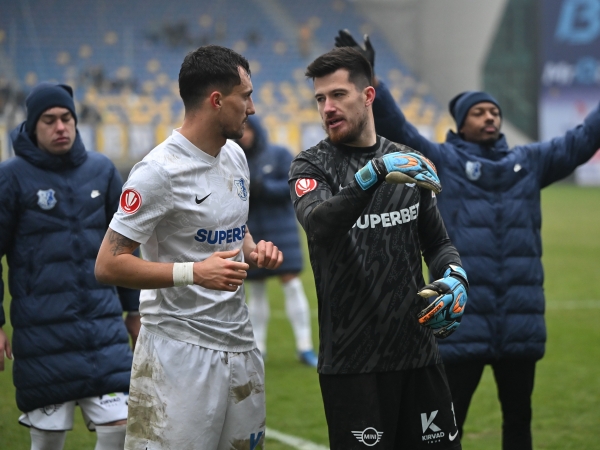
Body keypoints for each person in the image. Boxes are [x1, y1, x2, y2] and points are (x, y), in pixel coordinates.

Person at [335, 29, 600, 450]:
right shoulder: (444, 161)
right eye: (479, 112)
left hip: (520, 322)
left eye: (494, 111)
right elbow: (397, 127)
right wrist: (371, 79)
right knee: (445, 427)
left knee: (519, 422)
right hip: (461, 318)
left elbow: (582, 139)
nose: (490, 117)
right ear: (461, 123)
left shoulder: (529, 162)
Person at [94, 45, 283, 450]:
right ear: (216, 100)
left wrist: (253, 250)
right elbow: (108, 264)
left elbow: (232, 225)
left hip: (240, 345)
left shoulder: (235, 156)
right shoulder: (158, 172)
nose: (252, 108)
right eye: (245, 96)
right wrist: (194, 272)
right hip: (178, 350)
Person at [289, 46, 469, 450]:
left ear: (368, 95)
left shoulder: (408, 161)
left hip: (419, 355)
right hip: (353, 365)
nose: (327, 107)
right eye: (320, 98)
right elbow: (319, 224)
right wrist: (374, 174)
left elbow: (437, 243)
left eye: (338, 95)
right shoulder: (311, 166)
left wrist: (455, 274)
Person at [0, 82, 141, 450]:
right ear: (33, 126)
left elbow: (125, 245)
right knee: (48, 440)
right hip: (42, 337)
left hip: (102, 331)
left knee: (120, 430)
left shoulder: (102, 170)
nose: (60, 127)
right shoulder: (11, 176)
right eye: (49, 120)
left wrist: (134, 309)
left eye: (67, 118)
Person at [236, 115, 318, 367]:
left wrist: (263, 188)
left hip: (282, 232)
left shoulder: (279, 154)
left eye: (248, 129)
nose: (244, 135)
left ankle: (305, 347)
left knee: (291, 283)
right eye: (241, 130)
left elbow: (292, 187)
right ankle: (259, 348)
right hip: (252, 233)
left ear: (257, 130)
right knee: (256, 290)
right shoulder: (234, 159)